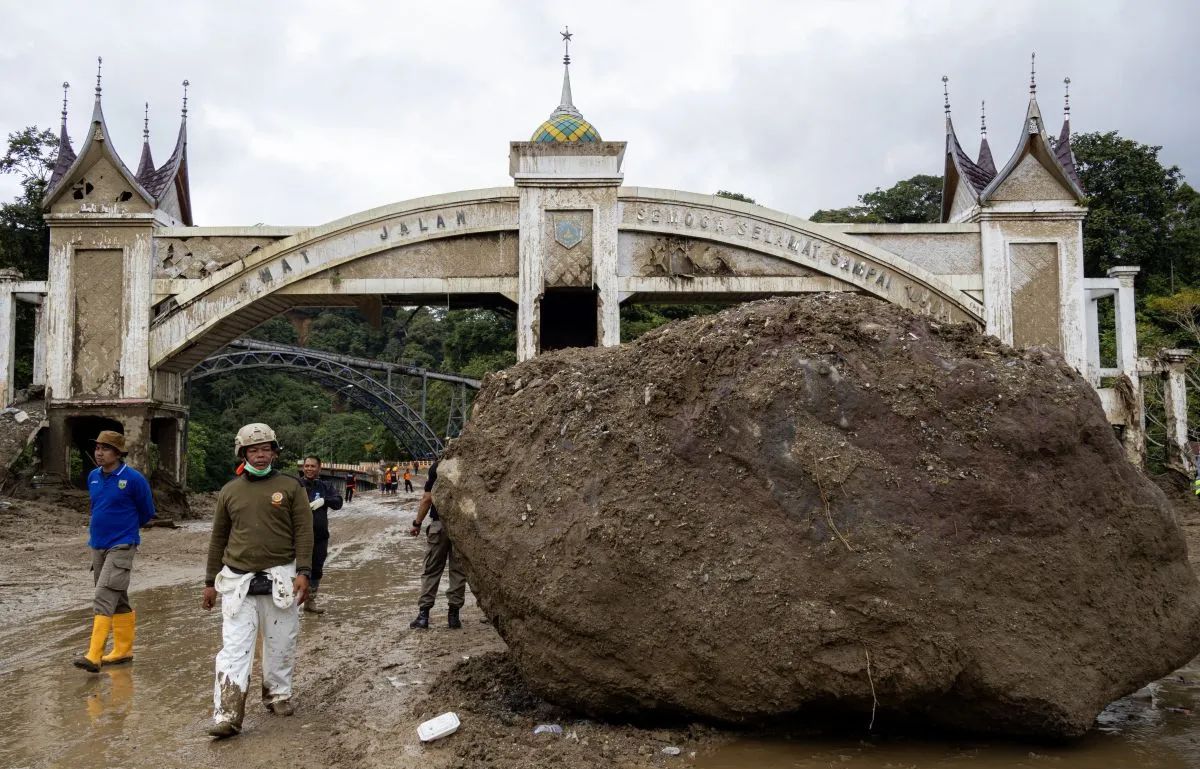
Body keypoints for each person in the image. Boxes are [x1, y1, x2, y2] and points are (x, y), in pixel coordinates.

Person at [201, 423, 313, 739]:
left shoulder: (291, 487)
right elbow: (218, 538)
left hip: (282, 577)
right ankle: (227, 714)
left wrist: (304, 572)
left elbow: (305, 532)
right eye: (253, 450)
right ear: (243, 453)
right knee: (235, 648)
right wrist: (210, 581)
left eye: (266, 449)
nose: (260, 455)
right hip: (238, 581)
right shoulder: (229, 492)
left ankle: (278, 694)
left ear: (275, 452)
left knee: (282, 641)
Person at [73, 430, 156, 672]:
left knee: (103, 595)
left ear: (118, 453)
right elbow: (97, 506)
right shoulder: (93, 477)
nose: (99, 452)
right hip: (97, 545)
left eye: (105, 448)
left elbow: (147, 512)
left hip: (122, 544)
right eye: (97, 448)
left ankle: (94, 655)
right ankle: (122, 651)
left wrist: (127, 529)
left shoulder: (133, 479)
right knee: (117, 598)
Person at [408, 459, 466, 630]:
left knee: (431, 569)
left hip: (439, 524)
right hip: (461, 526)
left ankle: (423, 616)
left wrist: (417, 523)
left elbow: (427, 498)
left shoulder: (437, 467)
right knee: (458, 571)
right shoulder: (466, 464)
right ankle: (454, 617)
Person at [297, 456, 343, 614]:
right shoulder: (296, 486)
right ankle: (289, 604)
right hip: (297, 537)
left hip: (320, 536)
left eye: (313, 466)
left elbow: (338, 502)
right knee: (293, 570)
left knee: (316, 569)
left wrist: (324, 500)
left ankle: (310, 602)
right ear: (303, 467)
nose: (309, 469)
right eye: (307, 466)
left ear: (319, 468)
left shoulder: (325, 486)